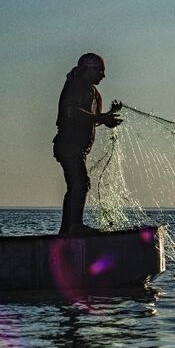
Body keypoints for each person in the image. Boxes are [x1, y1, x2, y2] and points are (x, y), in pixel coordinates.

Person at [53, 53, 122, 235]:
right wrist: (102, 117)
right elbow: (71, 111)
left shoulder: (93, 92)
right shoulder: (77, 85)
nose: (103, 75)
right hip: (68, 145)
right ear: (88, 70)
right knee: (80, 183)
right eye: (100, 70)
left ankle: (66, 230)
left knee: (78, 184)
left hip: (77, 148)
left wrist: (109, 115)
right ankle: (74, 226)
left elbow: (94, 119)